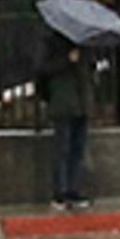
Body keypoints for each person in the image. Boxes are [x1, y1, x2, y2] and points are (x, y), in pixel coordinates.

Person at [41, 32, 95, 209]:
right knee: (62, 150)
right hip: (64, 104)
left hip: (81, 104)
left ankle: (74, 189)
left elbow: (89, 71)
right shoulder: (52, 45)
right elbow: (43, 72)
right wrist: (67, 61)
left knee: (77, 150)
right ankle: (60, 192)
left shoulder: (84, 46)